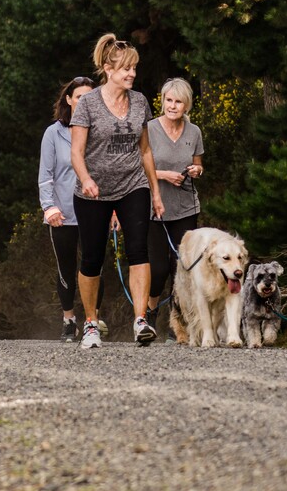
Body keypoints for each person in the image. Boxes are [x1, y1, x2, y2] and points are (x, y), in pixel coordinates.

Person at [69, 33, 164, 349]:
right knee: (93, 259)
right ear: (108, 69)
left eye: (134, 68)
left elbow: (146, 150)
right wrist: (85, 179)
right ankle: (91, 324)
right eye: (126, 69)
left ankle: (140, 321)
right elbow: (76, 152)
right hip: (93, 192)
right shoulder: (88, 105)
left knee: (139, 250)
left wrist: (155, 191)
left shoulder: (140, 102)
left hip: (132, 185)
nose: (132, 74)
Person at [39, 75, 96, 342]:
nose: (86, 102)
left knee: (92, 265)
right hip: (63, 212)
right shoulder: (54, 133)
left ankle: (92, 321)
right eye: (80, 97)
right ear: (69, 100)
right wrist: (49, 207)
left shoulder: (98, 130)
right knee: (66, 267)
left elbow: (107, 171)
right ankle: (68, 319)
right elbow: (46, 174)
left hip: (95, 208)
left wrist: (115, 209)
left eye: (90, 97)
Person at [145, 77, 205, 314]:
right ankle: (150, 312)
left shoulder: (194, 131)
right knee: (158, 269)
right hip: (155, 208)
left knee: (181, 267)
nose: (172, 106)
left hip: (185, 208)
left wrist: (196, 170)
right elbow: (137, 168)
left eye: (178, 102)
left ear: (186, 105)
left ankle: (177, 321)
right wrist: (163, 175)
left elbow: (198, 164)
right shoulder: (149, 129)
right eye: (168, 100)